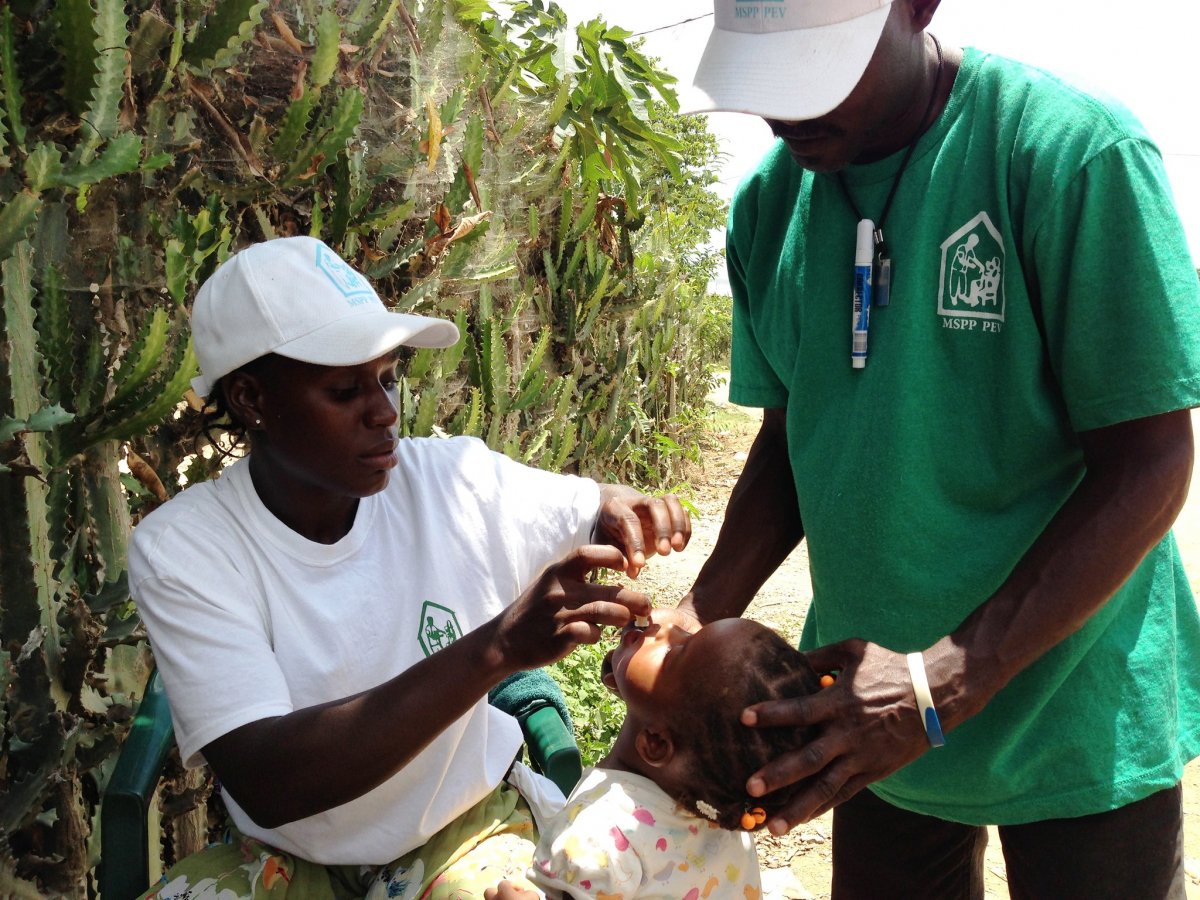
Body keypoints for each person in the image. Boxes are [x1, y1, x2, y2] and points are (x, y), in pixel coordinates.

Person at [675, 0, 1200, 897]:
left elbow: (1149, 462)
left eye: (817, 69)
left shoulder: (1068, 154)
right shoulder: (771, 204)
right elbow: (793, 438)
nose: (788, 111)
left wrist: (947, 678)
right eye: (768, 80)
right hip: (867, 718)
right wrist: (699, 613)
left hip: (1073, 709)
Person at [127, 235, 692, 898]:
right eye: (345, 390)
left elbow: (589, 506)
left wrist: (626, 510)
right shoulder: (187, 547)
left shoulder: (449, 481)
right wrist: (498, 648)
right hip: (285, 856)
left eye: (389, 379)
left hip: (460, 830)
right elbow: (268, 779)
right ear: (251, 398)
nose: (386, 413)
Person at [484, 610, 822, 900]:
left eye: (675, 651)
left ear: (656, 744)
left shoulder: (598, 838)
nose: (664, 628)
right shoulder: (726, 825)